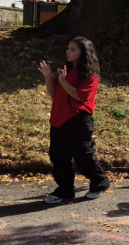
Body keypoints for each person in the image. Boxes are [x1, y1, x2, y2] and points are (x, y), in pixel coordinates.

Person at [37, 37, 110, 204]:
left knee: (83, 156)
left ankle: (100, 183)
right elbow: (55, 94)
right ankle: (65, 191)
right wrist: (49, 77)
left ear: (83, 53)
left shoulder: (90, 74)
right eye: (68, 49)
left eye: (73, 50)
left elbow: (81, 97)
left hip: (79, 119)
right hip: (59, 119)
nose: (68, 52)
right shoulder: (66, 70)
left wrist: (63, 81)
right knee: (58, 157)